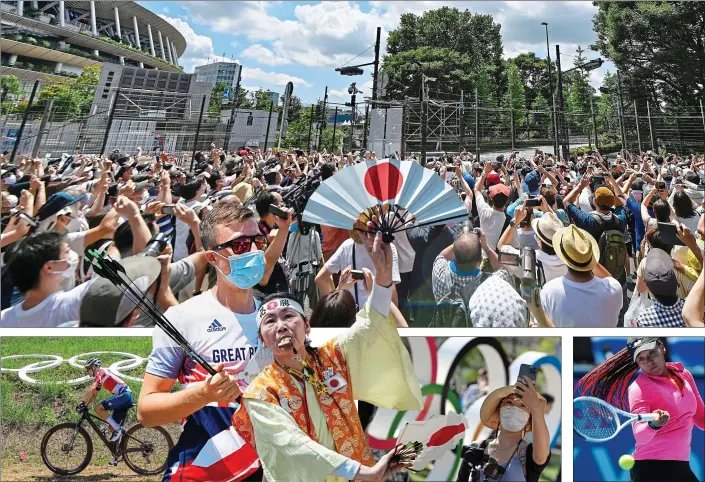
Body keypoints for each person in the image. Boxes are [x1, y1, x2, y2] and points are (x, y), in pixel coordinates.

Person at [231, 227, 423, 482]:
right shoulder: (260, 392)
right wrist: (364, 473)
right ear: (262, 339)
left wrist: (384, 279)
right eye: (270, 322)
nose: (281, 326)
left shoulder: (333, 356)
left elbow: (369, 326)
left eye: (289, 316)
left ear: (307, 325)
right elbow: (295, 446)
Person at [137, 204, 293, 481]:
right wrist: (204, 395)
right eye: (241, 245)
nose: (255, 251)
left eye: (258, 241)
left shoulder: (277, 320)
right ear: (213, 257)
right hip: (207, 467)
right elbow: (147, 412)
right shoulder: (182, 318)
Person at [575, 337, 704, 482]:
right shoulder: (639, 389)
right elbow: (640, 436)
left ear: (662, 347)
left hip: (682, 467)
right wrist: (653, 424)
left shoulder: (684, 374)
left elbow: (700, 417)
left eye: (651, 353)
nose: (649, 361)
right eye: (641, 358)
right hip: (651, 470)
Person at [457, 378, 550, 482]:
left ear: (529, 418)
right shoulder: (476, 449)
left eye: (523, 405)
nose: (515, 408)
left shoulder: (528, 453)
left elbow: (540, 459)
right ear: (499, 411)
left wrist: (537, 410)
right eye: (509, 402)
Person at [540, 225, 623, 327]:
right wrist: (587, 259)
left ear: (563, 258)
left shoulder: (549, 291)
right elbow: (609, 278)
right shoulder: (614, 288)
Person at [80, 359, 134, 464]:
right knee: (111, 427)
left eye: (88, 369)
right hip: (123, 397)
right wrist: (86, 405)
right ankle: (119, 455)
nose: (88, 372)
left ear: (94, 367)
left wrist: (82, 402)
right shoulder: (101, 378)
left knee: (98, 408)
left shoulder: (101, 372)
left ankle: (118, 429)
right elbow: (94, 394)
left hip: (124, 395)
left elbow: (92, 388)